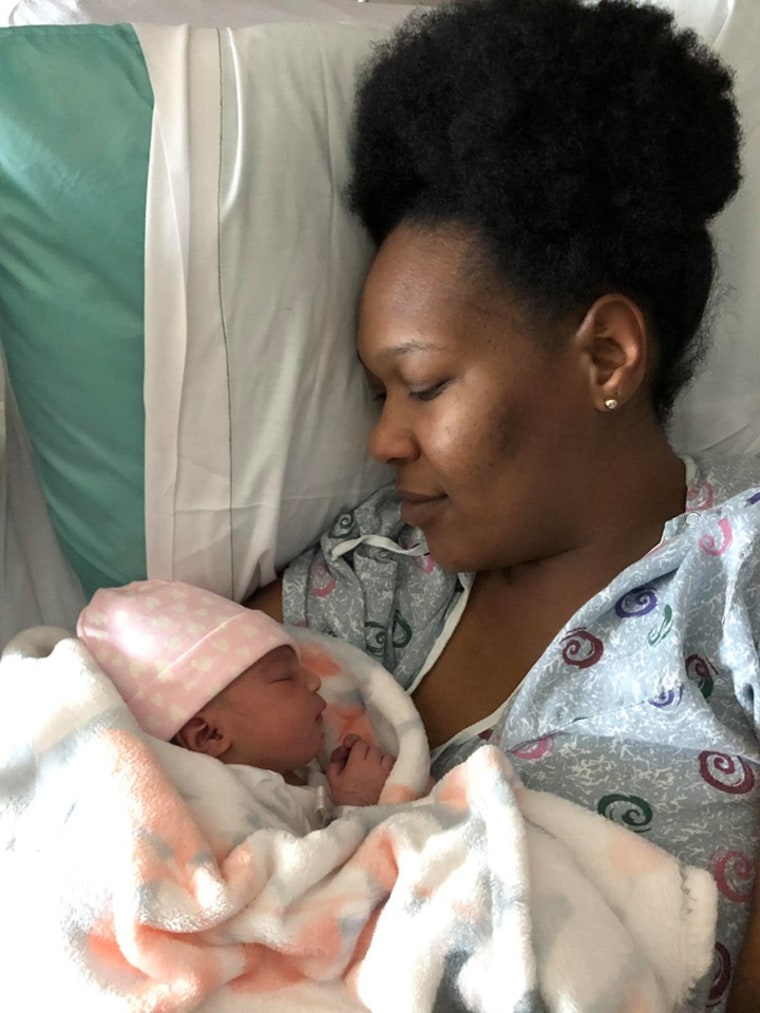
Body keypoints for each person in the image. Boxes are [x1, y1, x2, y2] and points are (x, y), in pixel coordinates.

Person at [247, 0, 760, 1008]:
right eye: (375, 392)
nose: (382, 440)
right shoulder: (378, 568)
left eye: (425, 384)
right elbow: (170, 726)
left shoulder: (738, 579)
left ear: (605, 355)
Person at [77, 579, 396, 831]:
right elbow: (306, 887)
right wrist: (357, 805)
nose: (314, 681)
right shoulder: (221, 807)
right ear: (209, 736)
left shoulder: (289, 774)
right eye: (286, 677)